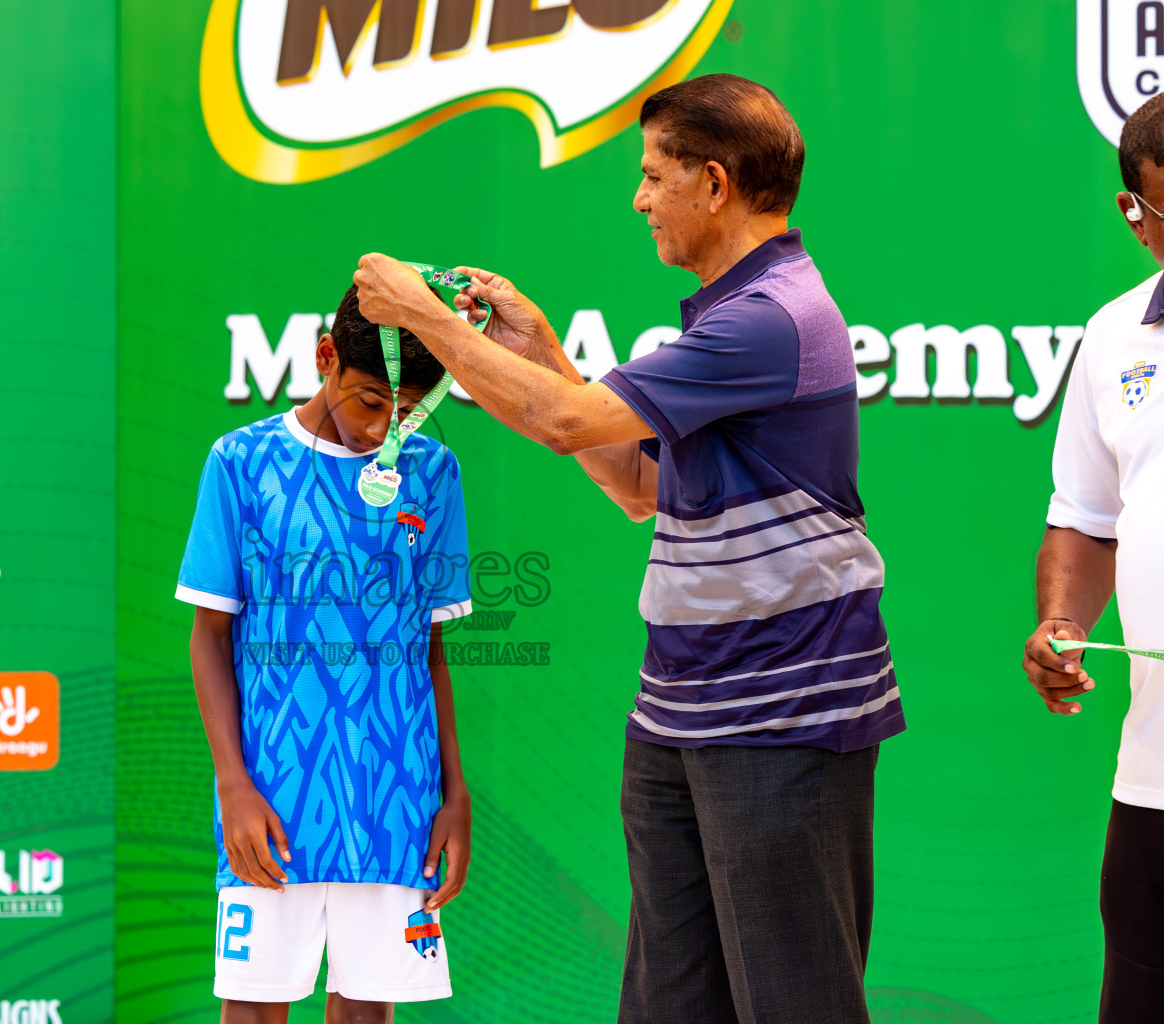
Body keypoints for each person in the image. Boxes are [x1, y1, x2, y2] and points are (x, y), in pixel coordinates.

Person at [355, 73, 902, 1024]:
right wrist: (539, 349)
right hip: (679, 713)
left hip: (780, 718)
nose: (639, 197)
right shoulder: (731, 314)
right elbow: (636, 485)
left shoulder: (770, 317)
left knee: (794, 1000)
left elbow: (565, 427)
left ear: (717, 183)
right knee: (669, 1004)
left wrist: (424, 317)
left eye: (655, 175)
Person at [177, 283, 473, 1024]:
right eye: (371, 401)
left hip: (394, 796)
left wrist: (455, 794)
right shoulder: (241, 463)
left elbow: (427, 647)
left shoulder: (432, 474)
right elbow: (209, 636)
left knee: (367, 1010)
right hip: (273, 795)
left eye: (407, 412)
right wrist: (232, 786)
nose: (384, 429)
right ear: (325, 357)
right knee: (251, 1008)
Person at [1021, 92, 1164, 1023]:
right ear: (1136, 214)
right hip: (1156, 774)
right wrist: (1062, 620)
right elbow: (1084, 517)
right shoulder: (1115, 336)